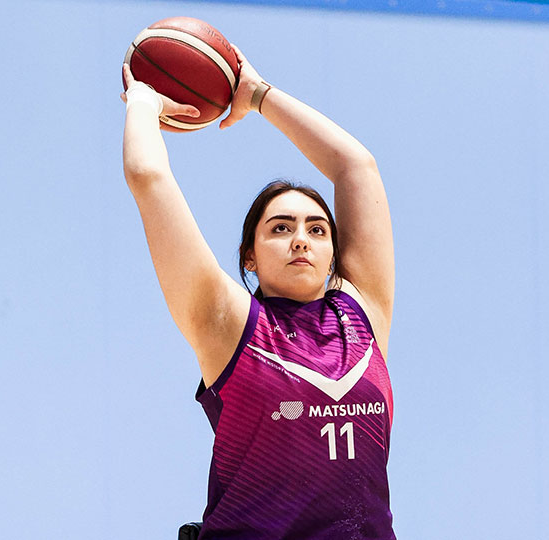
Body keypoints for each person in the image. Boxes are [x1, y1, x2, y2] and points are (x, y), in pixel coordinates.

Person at [121, 43, 396, 540]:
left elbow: (356, 166)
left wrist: (258, 94)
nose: (300, 239)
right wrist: (143, 102)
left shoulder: (363, 315)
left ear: (335, 252)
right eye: (280, 228)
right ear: (249, 256)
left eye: (317, 230)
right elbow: (148, 175)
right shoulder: (227, 324)